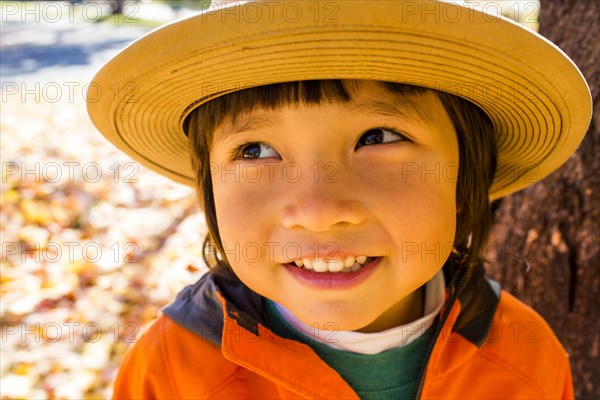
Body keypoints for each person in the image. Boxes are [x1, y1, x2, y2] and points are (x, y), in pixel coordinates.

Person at [87, 1, 592, 398]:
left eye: (378, 137)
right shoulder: (171, 371)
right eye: (256, 150)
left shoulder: (526, 360)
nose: (318, 211)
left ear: (465, 179)